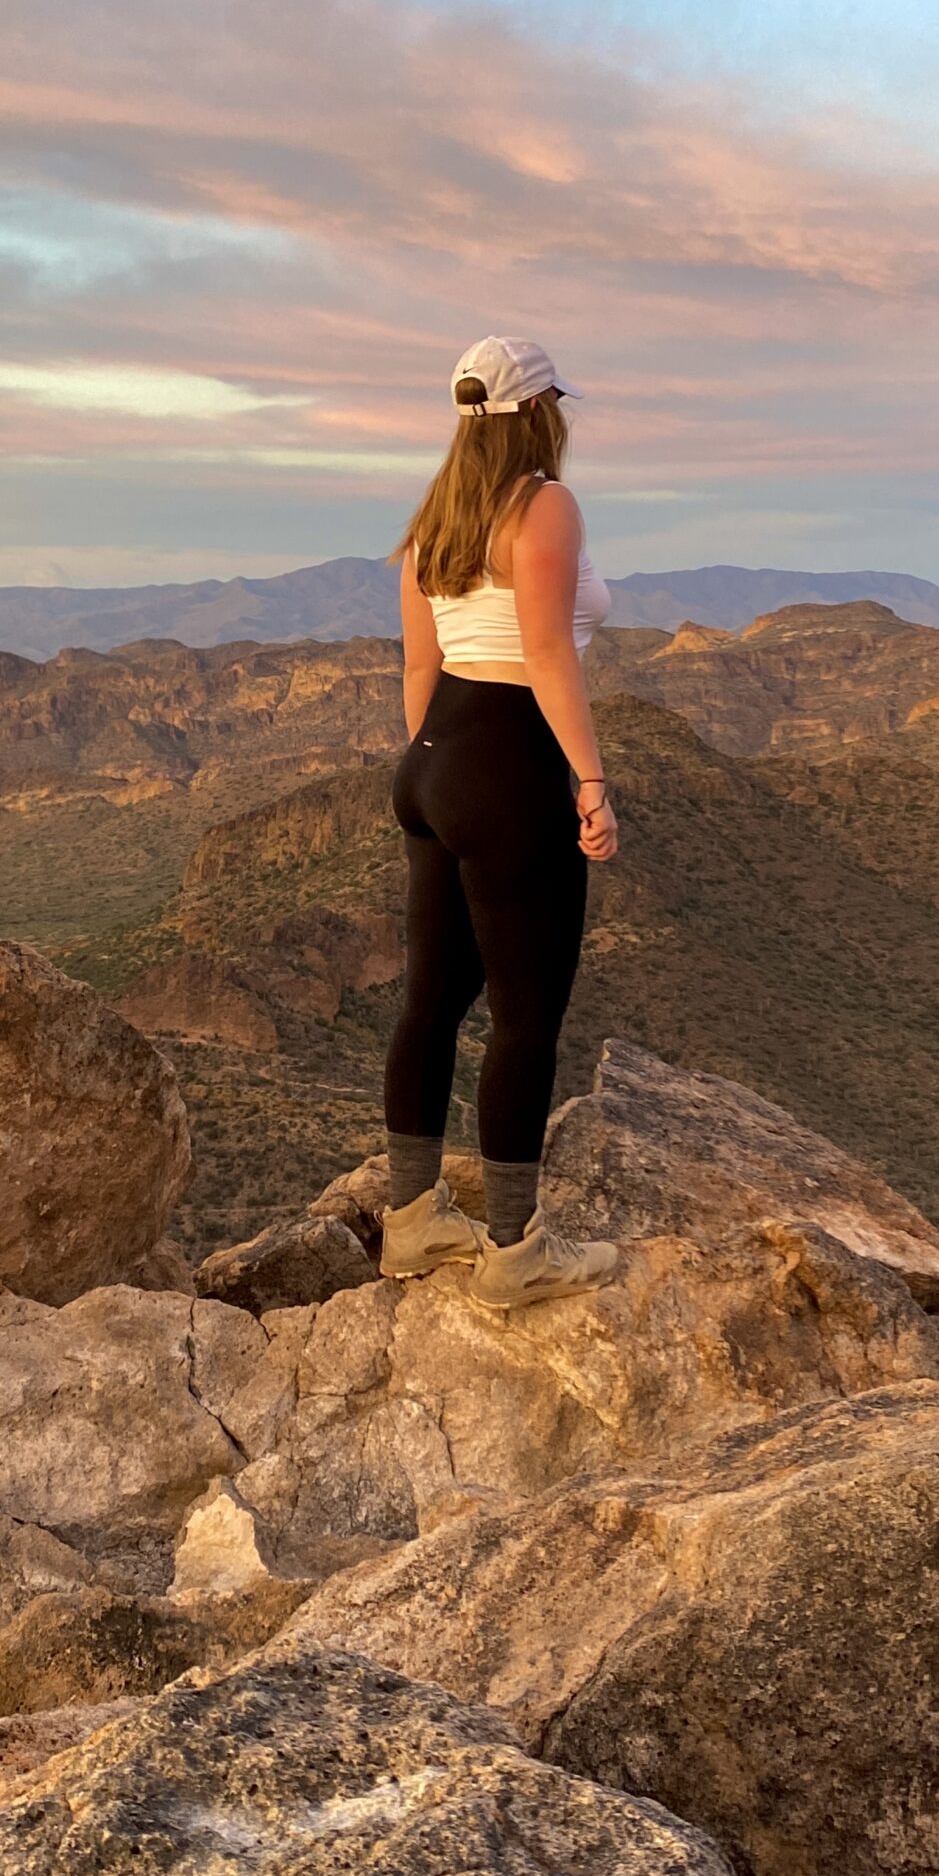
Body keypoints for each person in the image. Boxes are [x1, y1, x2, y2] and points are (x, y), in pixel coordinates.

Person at [377, 334, 621, 1310]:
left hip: (433, 760)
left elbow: (417, 668)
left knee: (430, 1003)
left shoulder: (438, 517)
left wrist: (441, 775)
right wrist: (592, 785)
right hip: (510, 766)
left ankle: (411, 1221)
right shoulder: (543, 504)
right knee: (525, 1020)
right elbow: (549, 653)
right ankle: (515, 1255)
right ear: (537, 412)